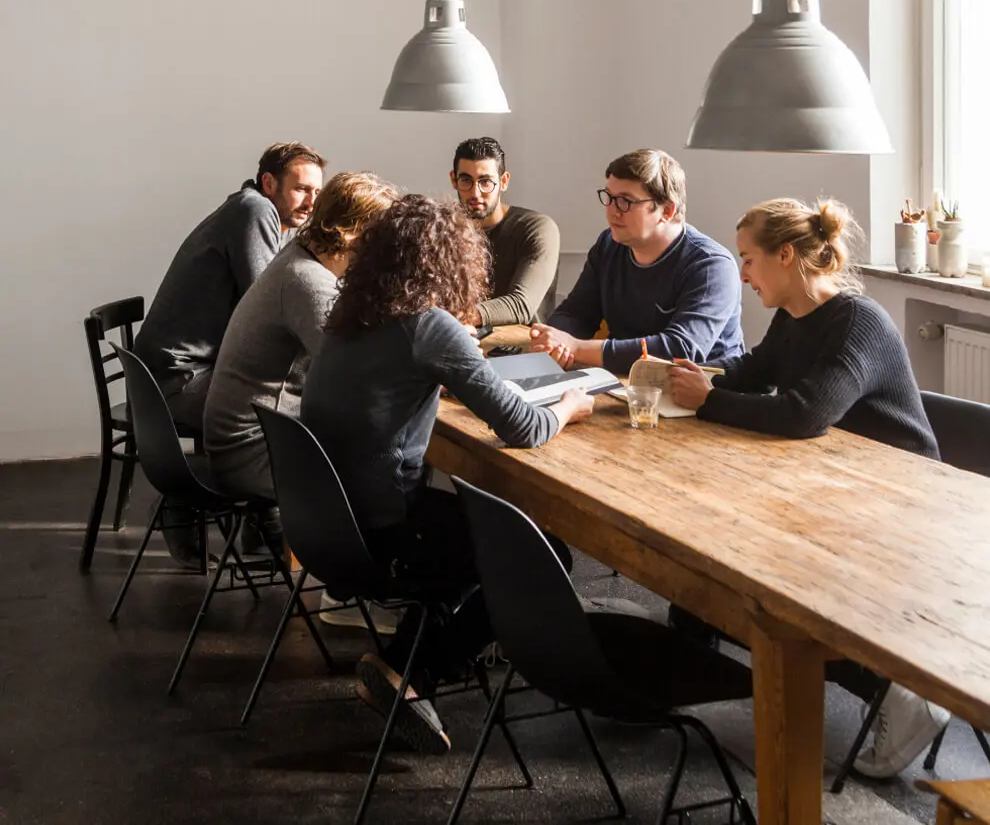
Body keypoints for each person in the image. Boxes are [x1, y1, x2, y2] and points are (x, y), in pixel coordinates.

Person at [300, 194, 593, 754]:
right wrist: (570, 406)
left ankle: (403, 664)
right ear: (451, 261)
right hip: (383, 531)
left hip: (329, 523)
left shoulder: (353, 313)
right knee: (544, 552)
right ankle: (416, 674)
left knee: (471, 535)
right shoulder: (428, 326)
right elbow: (526, 429)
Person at [665, 196, 945, 779]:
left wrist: (709, 401)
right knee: (714, 536)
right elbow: (755, 369)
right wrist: (700, 379)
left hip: (900, 499)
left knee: (767, 569)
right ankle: (686, 660)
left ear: (786, 256)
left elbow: (803, 414)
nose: (740, 273)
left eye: (748, 259)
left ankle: (904, 693)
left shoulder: (857, 323)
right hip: (834, 478)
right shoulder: (792, 316)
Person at [203, 173, 400, 626]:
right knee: (387, 468)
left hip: (256, 437)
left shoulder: (302, 261)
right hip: (254, 452)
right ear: (353, 233)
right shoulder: (308, 283)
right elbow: (357, 377)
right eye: (381, 237)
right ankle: (354, 596)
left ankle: (355, 588)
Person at [134, 142, 326, 433]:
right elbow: (269, 307)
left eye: (317, 192)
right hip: (179, 382)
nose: (311, 203)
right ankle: (259, 477)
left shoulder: (266, 215)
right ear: (269, 183)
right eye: (301, 189)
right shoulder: (255, 210)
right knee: (305, 409)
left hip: (182, 373)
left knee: (303, 397)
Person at [530, 148, 744, 374]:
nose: (612, 211)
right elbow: (576, 313)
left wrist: (577, 348)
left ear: (667, 211)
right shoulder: (608, 245)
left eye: (625, 201)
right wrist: (553, 341)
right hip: (626, 380)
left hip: (701, 393)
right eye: (609, 197)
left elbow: (680, 348)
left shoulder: (711, 266)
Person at [450, 136, 560, 326]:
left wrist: (448, 319)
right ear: (454, 179)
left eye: (485, 182)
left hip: (524, 348)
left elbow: (520, 305)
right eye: (466, 180)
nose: (475, 193)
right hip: (462, 344)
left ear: (504, 181)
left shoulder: (536, 228)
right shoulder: (446, 230)